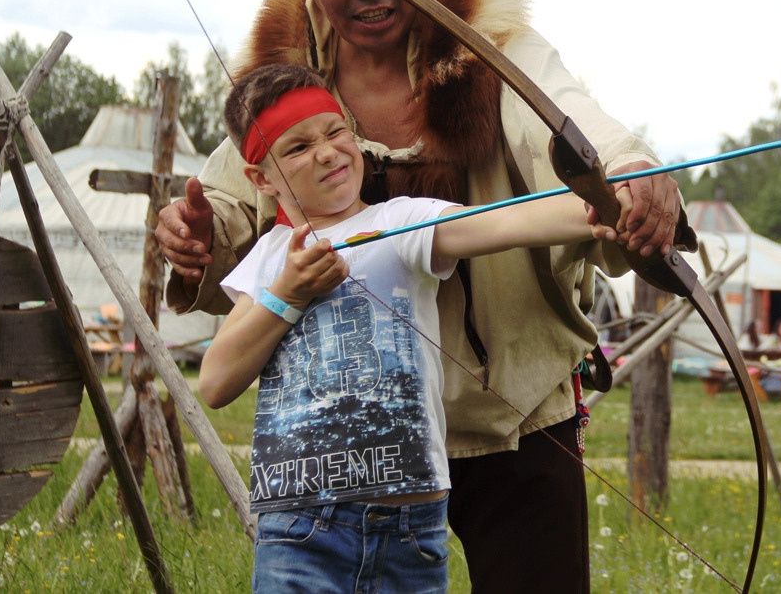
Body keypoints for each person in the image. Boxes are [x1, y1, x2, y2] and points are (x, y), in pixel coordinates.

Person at [157, 0, 689, 592]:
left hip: (516, 414)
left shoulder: (493, 43)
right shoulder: (293, 79)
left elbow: (565, 119)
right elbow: (230, 197)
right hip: (363, 463)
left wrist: (626, 173)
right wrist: (194, 238)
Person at [199, 65, 630, 592]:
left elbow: (508, 221)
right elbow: (216, 382)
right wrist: (286, 295)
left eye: (336, 132)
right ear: (261, 179)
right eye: (297, 148)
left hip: (410, 532)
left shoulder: (401, 222)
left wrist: (610, 207)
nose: (328, 152)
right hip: (299, 529)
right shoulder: (271, 259)